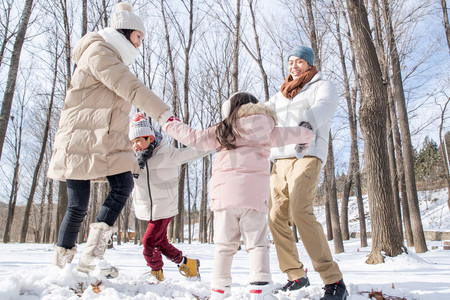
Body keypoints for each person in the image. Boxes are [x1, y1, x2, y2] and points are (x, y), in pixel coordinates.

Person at [48, 2, 173, 278]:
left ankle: (91, 255)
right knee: (78, 204)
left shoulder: (111, 57)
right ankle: (62, 267)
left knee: (122, 184)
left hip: (100, 141)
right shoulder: (99, 53)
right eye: (139, 38)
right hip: (79, 139)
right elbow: (130, 87)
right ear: (126, 32)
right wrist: (165, 114)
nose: (140, 45)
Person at [162, 92, 314, 300]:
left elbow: (194, 138)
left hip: (224, 198)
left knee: (224, 246)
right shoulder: (266, 127)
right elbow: (298, 133)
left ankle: (219, 289)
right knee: (257, 244)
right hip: (254, 197)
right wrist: (305, 135)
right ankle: (260, 286)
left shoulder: (224, 129)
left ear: (230, 109)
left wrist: (169, 123)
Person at [266, 45, 348, 300]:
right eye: (291, 61)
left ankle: (334, 280)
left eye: (299, 61)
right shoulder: (279, 95)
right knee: (275, 217)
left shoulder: (321, 85)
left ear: (309, 64)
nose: (294, 66)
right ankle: (295, 275)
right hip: (279, 159)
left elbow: (325, 106)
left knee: (300, 211)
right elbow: (262, 113)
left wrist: (307, 123)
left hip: (307, 153)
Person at [129, 112, 208, 282]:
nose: (135, 145)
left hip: (164, 207)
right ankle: (188, 264)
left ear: (150, 138)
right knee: (161, 243)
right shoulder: (133, 160)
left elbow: (191, 153)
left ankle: (156, 274)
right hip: (149, 209)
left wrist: (214, 143)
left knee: (149, 244)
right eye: (133, 142)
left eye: (138, 140)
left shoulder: (166, 152)